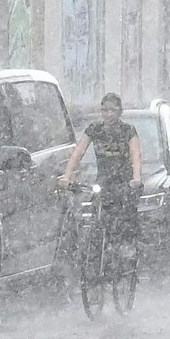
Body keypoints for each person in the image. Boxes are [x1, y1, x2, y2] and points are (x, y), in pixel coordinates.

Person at [59, 93, 144, 259]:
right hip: (103, 181)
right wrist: (67, 176)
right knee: (96, 213)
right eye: (104, 110)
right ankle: (95, 252)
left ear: (120, 111)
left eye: (113, 110)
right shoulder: (94, 129)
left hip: (124, 181)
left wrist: (136, 177)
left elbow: (135, 155)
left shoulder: (128, 131)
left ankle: (127, 247)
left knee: (125, 212)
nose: (108, 114)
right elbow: (78, 152)